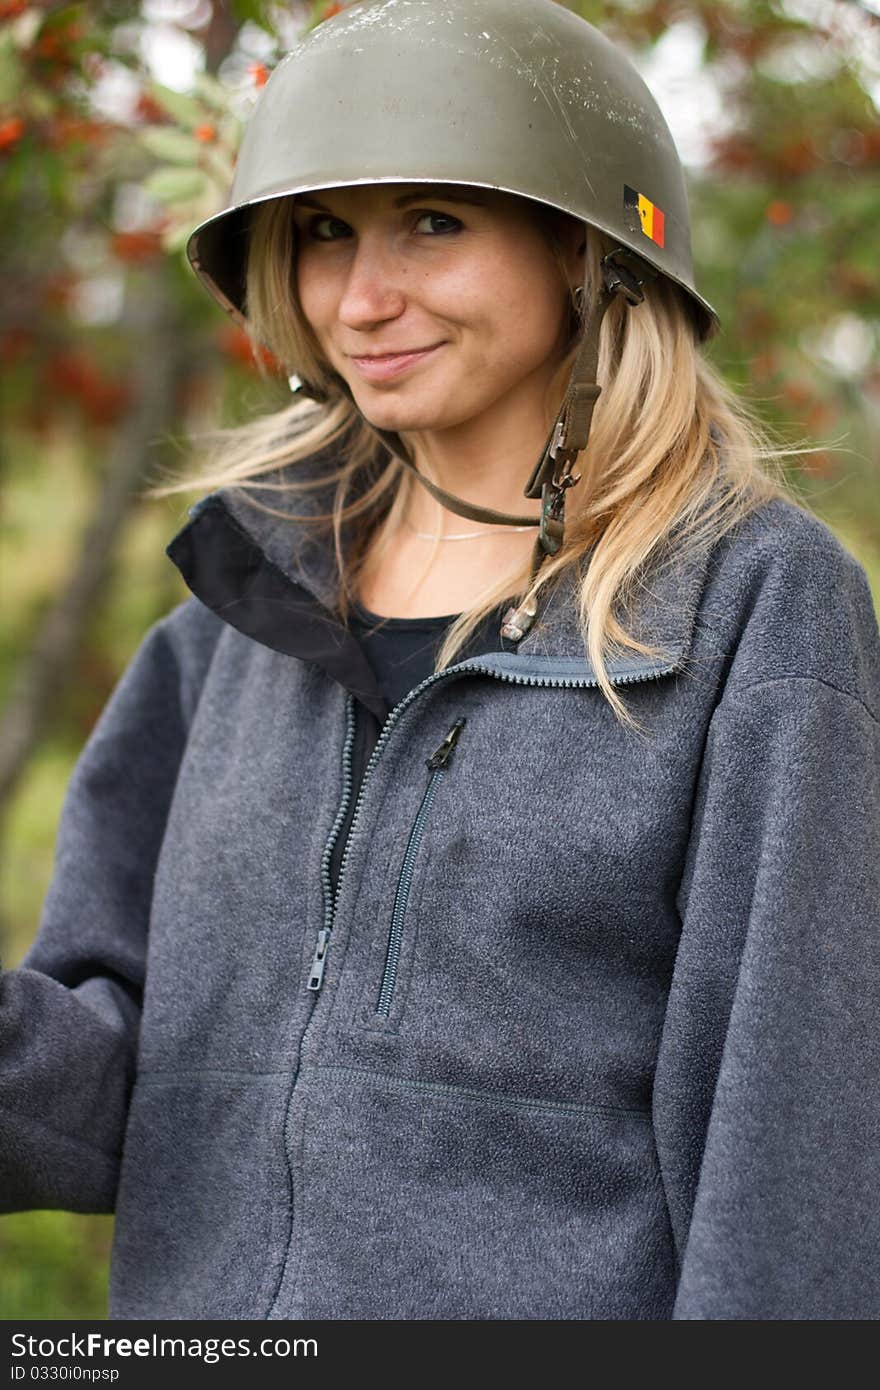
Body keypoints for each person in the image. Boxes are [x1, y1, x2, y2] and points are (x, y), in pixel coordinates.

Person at [3, 0, 879, 1321]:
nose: (363, 297)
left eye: (432, 220)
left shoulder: (752, 603)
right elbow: (118, 1079)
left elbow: (789, 1147)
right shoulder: (225, 625)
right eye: (322, 235)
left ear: (582, 251)